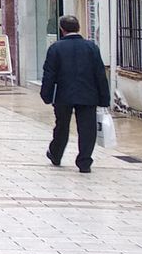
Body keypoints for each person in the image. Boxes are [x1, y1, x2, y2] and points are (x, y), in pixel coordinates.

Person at [41, 15, 111, 172]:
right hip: (88, 94)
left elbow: (49, 74)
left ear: (62, 29)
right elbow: (100, 74)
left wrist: (46, 94)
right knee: (87, 129)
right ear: (78, 28)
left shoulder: (56, 48)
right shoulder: (91, 47)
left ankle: (56, 154)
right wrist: (104, 98)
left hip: (63, 95)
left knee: (62, 126)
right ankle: (84, 161)